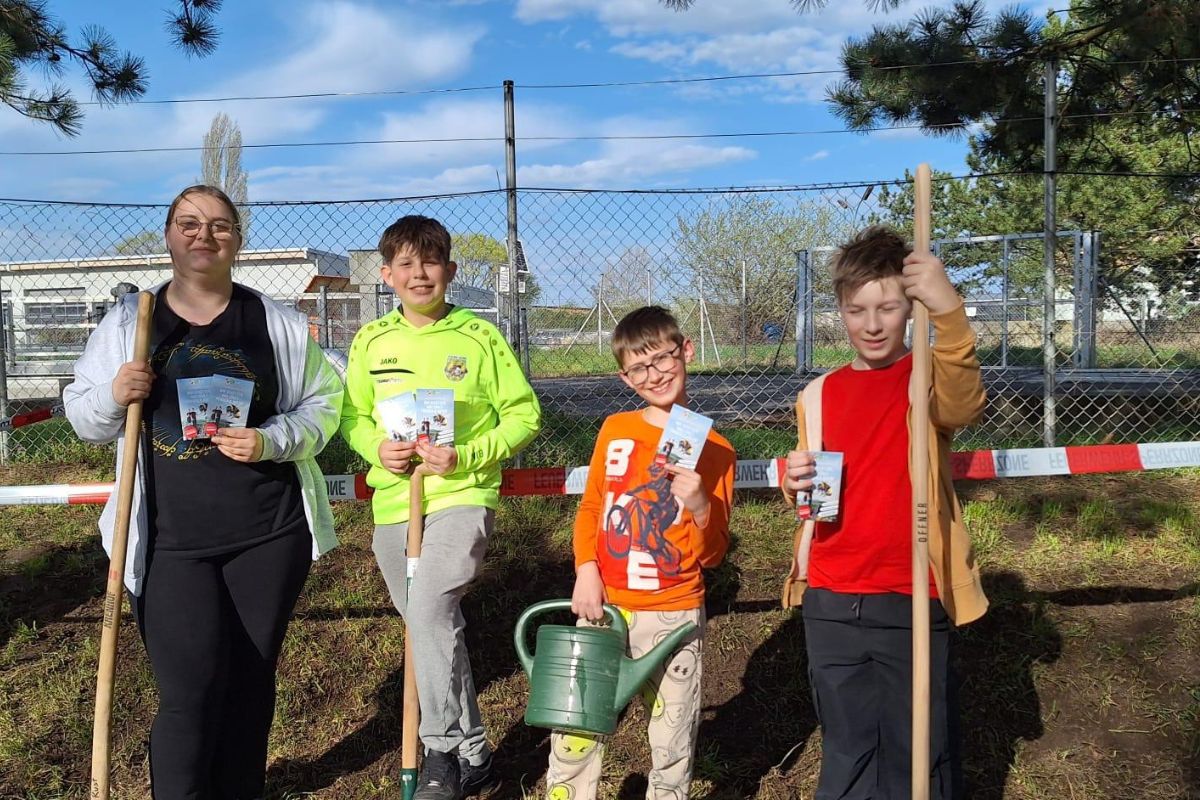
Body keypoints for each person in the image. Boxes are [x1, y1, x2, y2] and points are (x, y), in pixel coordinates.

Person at [63, 184, 344, 799]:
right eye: (188, 223)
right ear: (169, 236)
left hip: (267, 536)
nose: (204, 235)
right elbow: (83, 418)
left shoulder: (276, 322)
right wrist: (114, 394)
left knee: (250, 683)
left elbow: (325, 406)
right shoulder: (131, 322)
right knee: (189, 692)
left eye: (219, 225)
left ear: (237, 240)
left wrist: (270, 440)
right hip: (168, 544)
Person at [780, 226, 988, 799]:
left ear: (910, 309)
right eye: (857, 310)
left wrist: (949, 311)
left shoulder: (926, 378)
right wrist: (794, 485)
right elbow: (812, 493)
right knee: (846, 746)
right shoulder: (817, 394)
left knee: (917, 749)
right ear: (841, 312)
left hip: (909, 593)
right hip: (830, 595)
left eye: (888, 308)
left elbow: (964, 404)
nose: (872, 325)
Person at [339, 215, 541, 800]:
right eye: (406, 263)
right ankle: (476, 755)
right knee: (432, 629)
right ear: (387, 275)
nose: (419, 274)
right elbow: (352, 416)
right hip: (395, 504)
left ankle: (441, 753)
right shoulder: (371, 341)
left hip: (461, 496)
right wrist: (375, 447)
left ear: (450, 270)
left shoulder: (479, 337)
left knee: (429, 611)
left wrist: (467, 456)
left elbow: (524, 415)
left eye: (430, 262)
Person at [546, 305, 736, 800]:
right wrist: (586, 569)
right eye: (638, 368)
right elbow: (592, 506)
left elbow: (713, 554)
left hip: (674, 614)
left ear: (686, 350)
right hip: (604, 607)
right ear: (625, 378)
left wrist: (700, 505)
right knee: (577, 727)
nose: (654, 375)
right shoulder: (615, 429)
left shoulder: (717, 450)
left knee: (673, 739)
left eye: (662, 359)